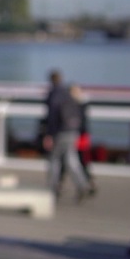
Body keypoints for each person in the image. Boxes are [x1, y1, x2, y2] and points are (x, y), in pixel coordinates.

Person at [42, 70, 93, 202]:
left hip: (60, 132)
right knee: (71, 159)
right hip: (73, 130)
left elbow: (52, 117)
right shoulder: (67, 92)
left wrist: (49, 134)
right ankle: (83, 184)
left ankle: (52, 189)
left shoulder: (54, 94)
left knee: (54, 160)